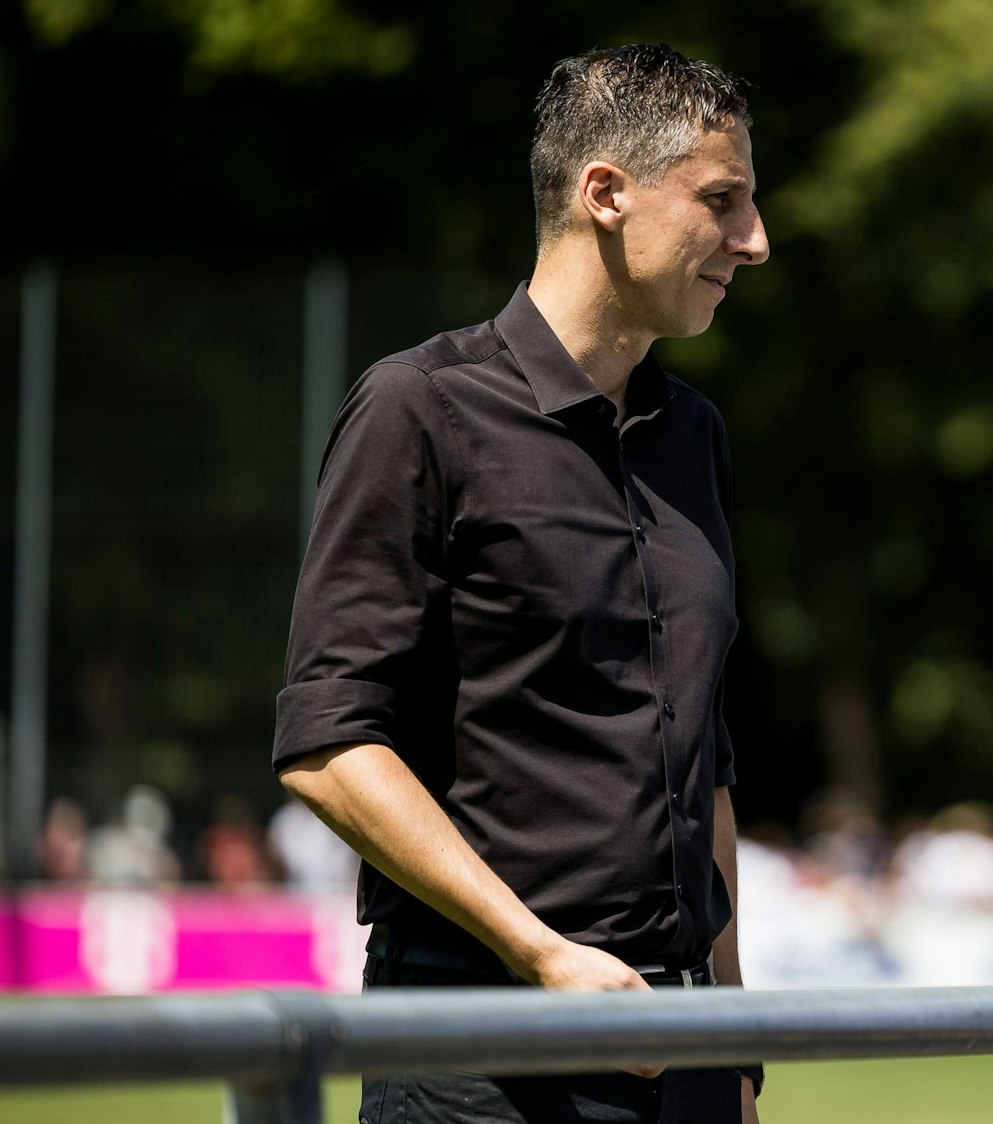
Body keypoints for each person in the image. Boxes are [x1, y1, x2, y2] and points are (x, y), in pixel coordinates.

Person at [273, 43, 769, 1124]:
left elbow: (706, 766)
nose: (755, 240)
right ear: (605, 193)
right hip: (479, 1057)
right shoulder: (417, 408)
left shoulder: (695, 436)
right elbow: (329, 747)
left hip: (687, 1058)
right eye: (722, 201)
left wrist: (731, 1034)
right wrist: (541, 953)